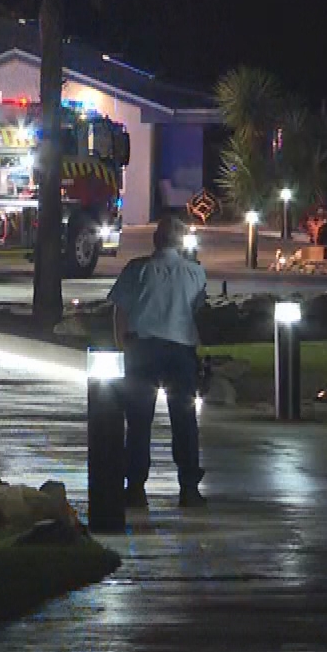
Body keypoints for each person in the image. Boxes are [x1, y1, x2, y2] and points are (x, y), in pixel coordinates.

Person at [108, 213, 211, 508]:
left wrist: (121, 345)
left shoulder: (136, 270)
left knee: (139, 422)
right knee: (184, 421)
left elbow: (120, 312)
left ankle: (136, 486)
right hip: (181, 351)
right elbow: (199, 312)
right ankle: (188, 487)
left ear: (155, 239)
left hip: (142, 350)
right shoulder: (195, 273)